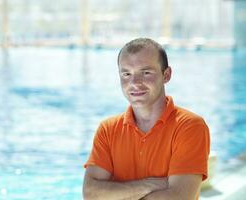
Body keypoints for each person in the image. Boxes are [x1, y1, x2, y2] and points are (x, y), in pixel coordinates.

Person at [82, 38, 210, 200]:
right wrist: (151, 184)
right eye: (126, 74)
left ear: (166, 75)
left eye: (146, 72)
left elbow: (178, 197)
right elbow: (90, 194)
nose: (135, 83)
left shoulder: (189, 127)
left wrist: (115, 194)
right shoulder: (108, 129)